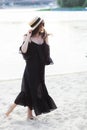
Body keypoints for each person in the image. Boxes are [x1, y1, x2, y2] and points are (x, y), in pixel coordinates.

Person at [5, 16, 57, 119]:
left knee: (33, 90)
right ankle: (10, 110)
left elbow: (46, 53)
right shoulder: (26, 36)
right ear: (38, 25)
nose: (43, 26)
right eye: (42, 24)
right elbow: (23, 50)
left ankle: (28, 114)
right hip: (30, 69)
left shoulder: (44, 36)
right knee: (28, 91)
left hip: (40, 69)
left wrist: (46, 40)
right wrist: (28, 37)